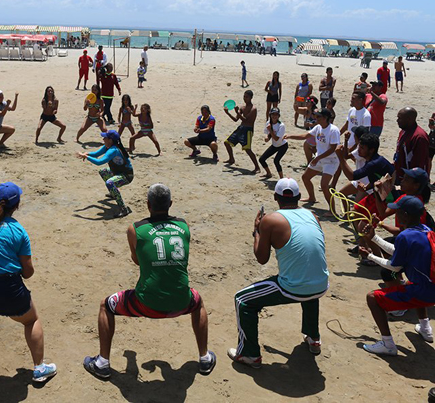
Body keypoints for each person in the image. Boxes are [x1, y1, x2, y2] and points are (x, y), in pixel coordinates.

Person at [83, 183, 217, 378]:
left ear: (148, 204)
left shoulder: (136, 229)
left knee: (106, 305)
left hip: (146, 303)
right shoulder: (183, 226)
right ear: (170, 203)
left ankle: (102, 363)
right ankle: (205, 358)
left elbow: (138, 261)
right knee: (198, 302)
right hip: (181, 301)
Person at [0, 182, 58, 382]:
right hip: (8, 289)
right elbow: (28, 272)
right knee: (31, 320)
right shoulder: (19, 231)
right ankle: (39, 368)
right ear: (17, 206)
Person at [228, 178, 328, 368]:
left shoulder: (271, 219)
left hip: (294, 287)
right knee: (308, 281)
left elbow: (261, 258)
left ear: (276, 197)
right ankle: (313, 337)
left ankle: (249, 354)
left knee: (242, 299)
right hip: (321, 284)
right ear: (299, 197)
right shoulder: (313, 216)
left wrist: (257, 231)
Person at [359, 196, 435, 355]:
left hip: (426, 292)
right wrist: (374, 238)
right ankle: (425, 329)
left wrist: (370, 256)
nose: (396, 215)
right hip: (430, 287)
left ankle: (388, 344)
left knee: (372, 298)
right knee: (411, 284)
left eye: (397, 212)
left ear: (405, 215)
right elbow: (399, 252)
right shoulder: (426, 230)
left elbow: (394, 267)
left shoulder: (405, 236)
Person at [285, 109, 340, 208]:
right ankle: (312, 197)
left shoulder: (333, 130)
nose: (316, 118)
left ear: (325, 118)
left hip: (331, 161)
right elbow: (305, 135)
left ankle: (332, 210)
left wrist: (317, 158)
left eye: (319, 117)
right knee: (305, 177)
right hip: (319, 158)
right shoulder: (318, 127)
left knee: (324, 185)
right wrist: (290, 136)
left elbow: (333, 149)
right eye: (316, 116)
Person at [77, 130, 134, 218]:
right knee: (103, 172)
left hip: (126, 176)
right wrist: (87, 153)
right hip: (118, 172)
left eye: (105, 137)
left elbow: (99, 161)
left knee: (110, 183)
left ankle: (123, 209)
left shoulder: (113, 150)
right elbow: (96, 154)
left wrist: (86, 157)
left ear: (110, 140)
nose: (103, 139)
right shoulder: (108, 147)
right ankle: (113, 193)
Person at [224, 90, 260, 173]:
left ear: (251, 98)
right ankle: (231, 159)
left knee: (248, 149)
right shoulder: (242, 107)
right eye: (244, 96)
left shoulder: (253, 109)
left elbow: (247, 120)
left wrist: (237, 112)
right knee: (227, 142)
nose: (245, 98)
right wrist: (228, 113)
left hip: (248, 130)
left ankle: (257, 167)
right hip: (240, 128)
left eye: (246, 97)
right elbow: (236, 119)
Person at [394, 107, 430, 184]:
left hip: (412, 182)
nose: (397, 120)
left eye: (400, 118)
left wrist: (409, 181)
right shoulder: (403, 132)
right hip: (401, 176)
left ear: (409, 119)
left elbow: (419, 163)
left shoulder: (419, 137)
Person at [259, 107, 288, 179]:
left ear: (279, 116)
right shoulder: (268, 123)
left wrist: (270, 130)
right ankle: (268, 173)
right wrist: (267, 138)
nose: (274, 116)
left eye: (276, 114)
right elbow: (270, 134)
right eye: (273, 114)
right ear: (270, 115)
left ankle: (281, 178)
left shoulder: (281, 125)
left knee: (276, 161)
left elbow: (276, 138)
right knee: (262, 159)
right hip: (275, 145)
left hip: (282, 145)